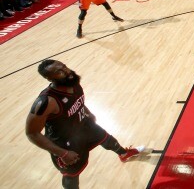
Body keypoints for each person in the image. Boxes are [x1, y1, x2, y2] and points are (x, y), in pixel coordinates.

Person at [25, 59, 143, 189]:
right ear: (49, 78)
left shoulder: (73, 83)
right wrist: (62, 153)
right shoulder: (46, 101)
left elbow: (77, 101)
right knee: (72, 175)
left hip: (83, 125)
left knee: (107, 139)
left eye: (64, 66)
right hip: (66, 142)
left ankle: (124, 154)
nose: (66, 71)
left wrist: (88, 112)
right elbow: (32, 133)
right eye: (59, 72)